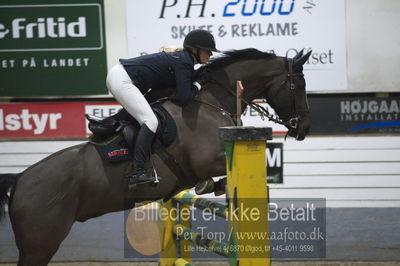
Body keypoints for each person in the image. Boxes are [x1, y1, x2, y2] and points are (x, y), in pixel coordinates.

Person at [106, 29, 220, 188]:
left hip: (120, 76)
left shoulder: (183, 60)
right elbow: (184, 97)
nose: (210, 55)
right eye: (208, 51)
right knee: (151, 121)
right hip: (122, 79)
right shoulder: (184, 61)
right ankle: (136, 172)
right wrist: (199, 83)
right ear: (195, 50)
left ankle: (109, 123)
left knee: (146, 114)